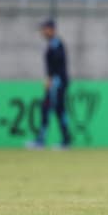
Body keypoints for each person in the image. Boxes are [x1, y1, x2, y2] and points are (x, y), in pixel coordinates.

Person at [30, 19, 72, 149]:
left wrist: (51, 79)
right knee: (59, 110)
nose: (43, 32)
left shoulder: (56, 44)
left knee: (47, 109)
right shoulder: (53, 44)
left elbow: (57, 63)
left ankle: (42, 140)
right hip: (57, 81)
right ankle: (65, 140)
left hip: (57, 82)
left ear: (51, 29)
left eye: (44, 29)